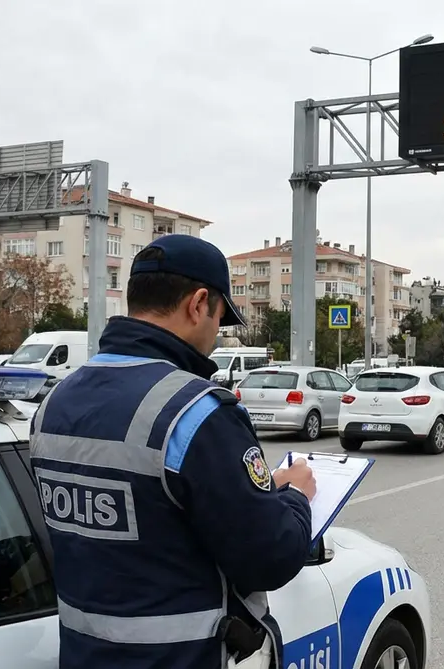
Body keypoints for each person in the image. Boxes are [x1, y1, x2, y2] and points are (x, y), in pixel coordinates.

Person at [29, 235, 317, 669]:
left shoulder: (54, 403)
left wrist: (255, 494)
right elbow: (268, 558)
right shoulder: (196, 413)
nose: (217, 333)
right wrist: (294, 498)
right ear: (199, 304)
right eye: (220, 317)